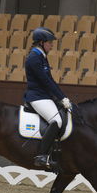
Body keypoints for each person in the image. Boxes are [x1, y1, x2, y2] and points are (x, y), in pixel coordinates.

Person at [24, 27, 73, 168]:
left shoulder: (41, 56)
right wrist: (61, 98)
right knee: (56, 120)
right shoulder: (34, 57)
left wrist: (63, 97)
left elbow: (51, 81)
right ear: (41, 42)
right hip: (37, 97)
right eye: (50, 43)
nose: (51, 45)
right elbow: (45, 82)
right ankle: (41, 156)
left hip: (44, 95)